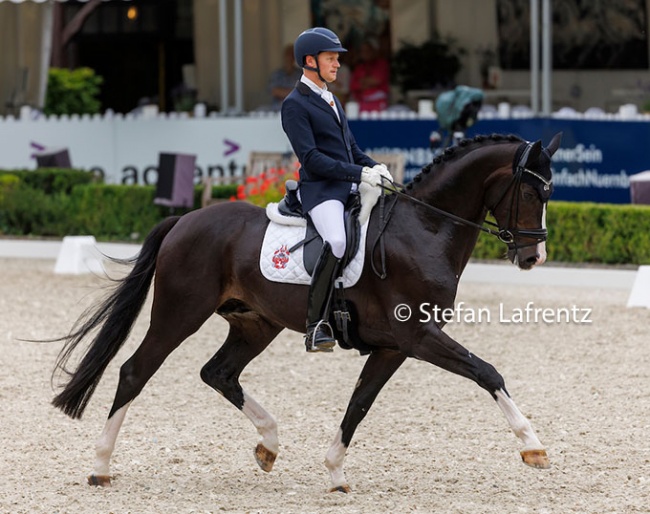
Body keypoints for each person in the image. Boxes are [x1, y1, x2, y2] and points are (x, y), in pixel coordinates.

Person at [281, 27, 392, 353]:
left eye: (337, 59)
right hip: (321, 191)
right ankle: (316, 325)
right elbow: (313, 160)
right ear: (310, 61)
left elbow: (351, 149)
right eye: (331, 58)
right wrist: (359, 174)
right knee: (338, 240)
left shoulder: (331, 98)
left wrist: (375, 168)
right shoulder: (294, 105)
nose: (337, 64)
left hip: (347, 186)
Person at [349, 39, 390, 112]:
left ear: (373, 51)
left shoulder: (381, 64)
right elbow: (353, 85)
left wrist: (362, 81)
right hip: (362, 103)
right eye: (363, 51)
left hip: (379, 103)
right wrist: (367, 82)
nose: (365, 53)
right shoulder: (359, 67)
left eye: (368, 50)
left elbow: (377, 80)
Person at [268, 44, 302, 111]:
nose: (290, 58)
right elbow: (274, 91)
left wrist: (284, 92)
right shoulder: (277, 74)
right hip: (277, 110)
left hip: (296, 109)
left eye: (292, 55)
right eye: (288, 55)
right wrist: (294, 93)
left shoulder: (301, 74)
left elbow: (303, 92)